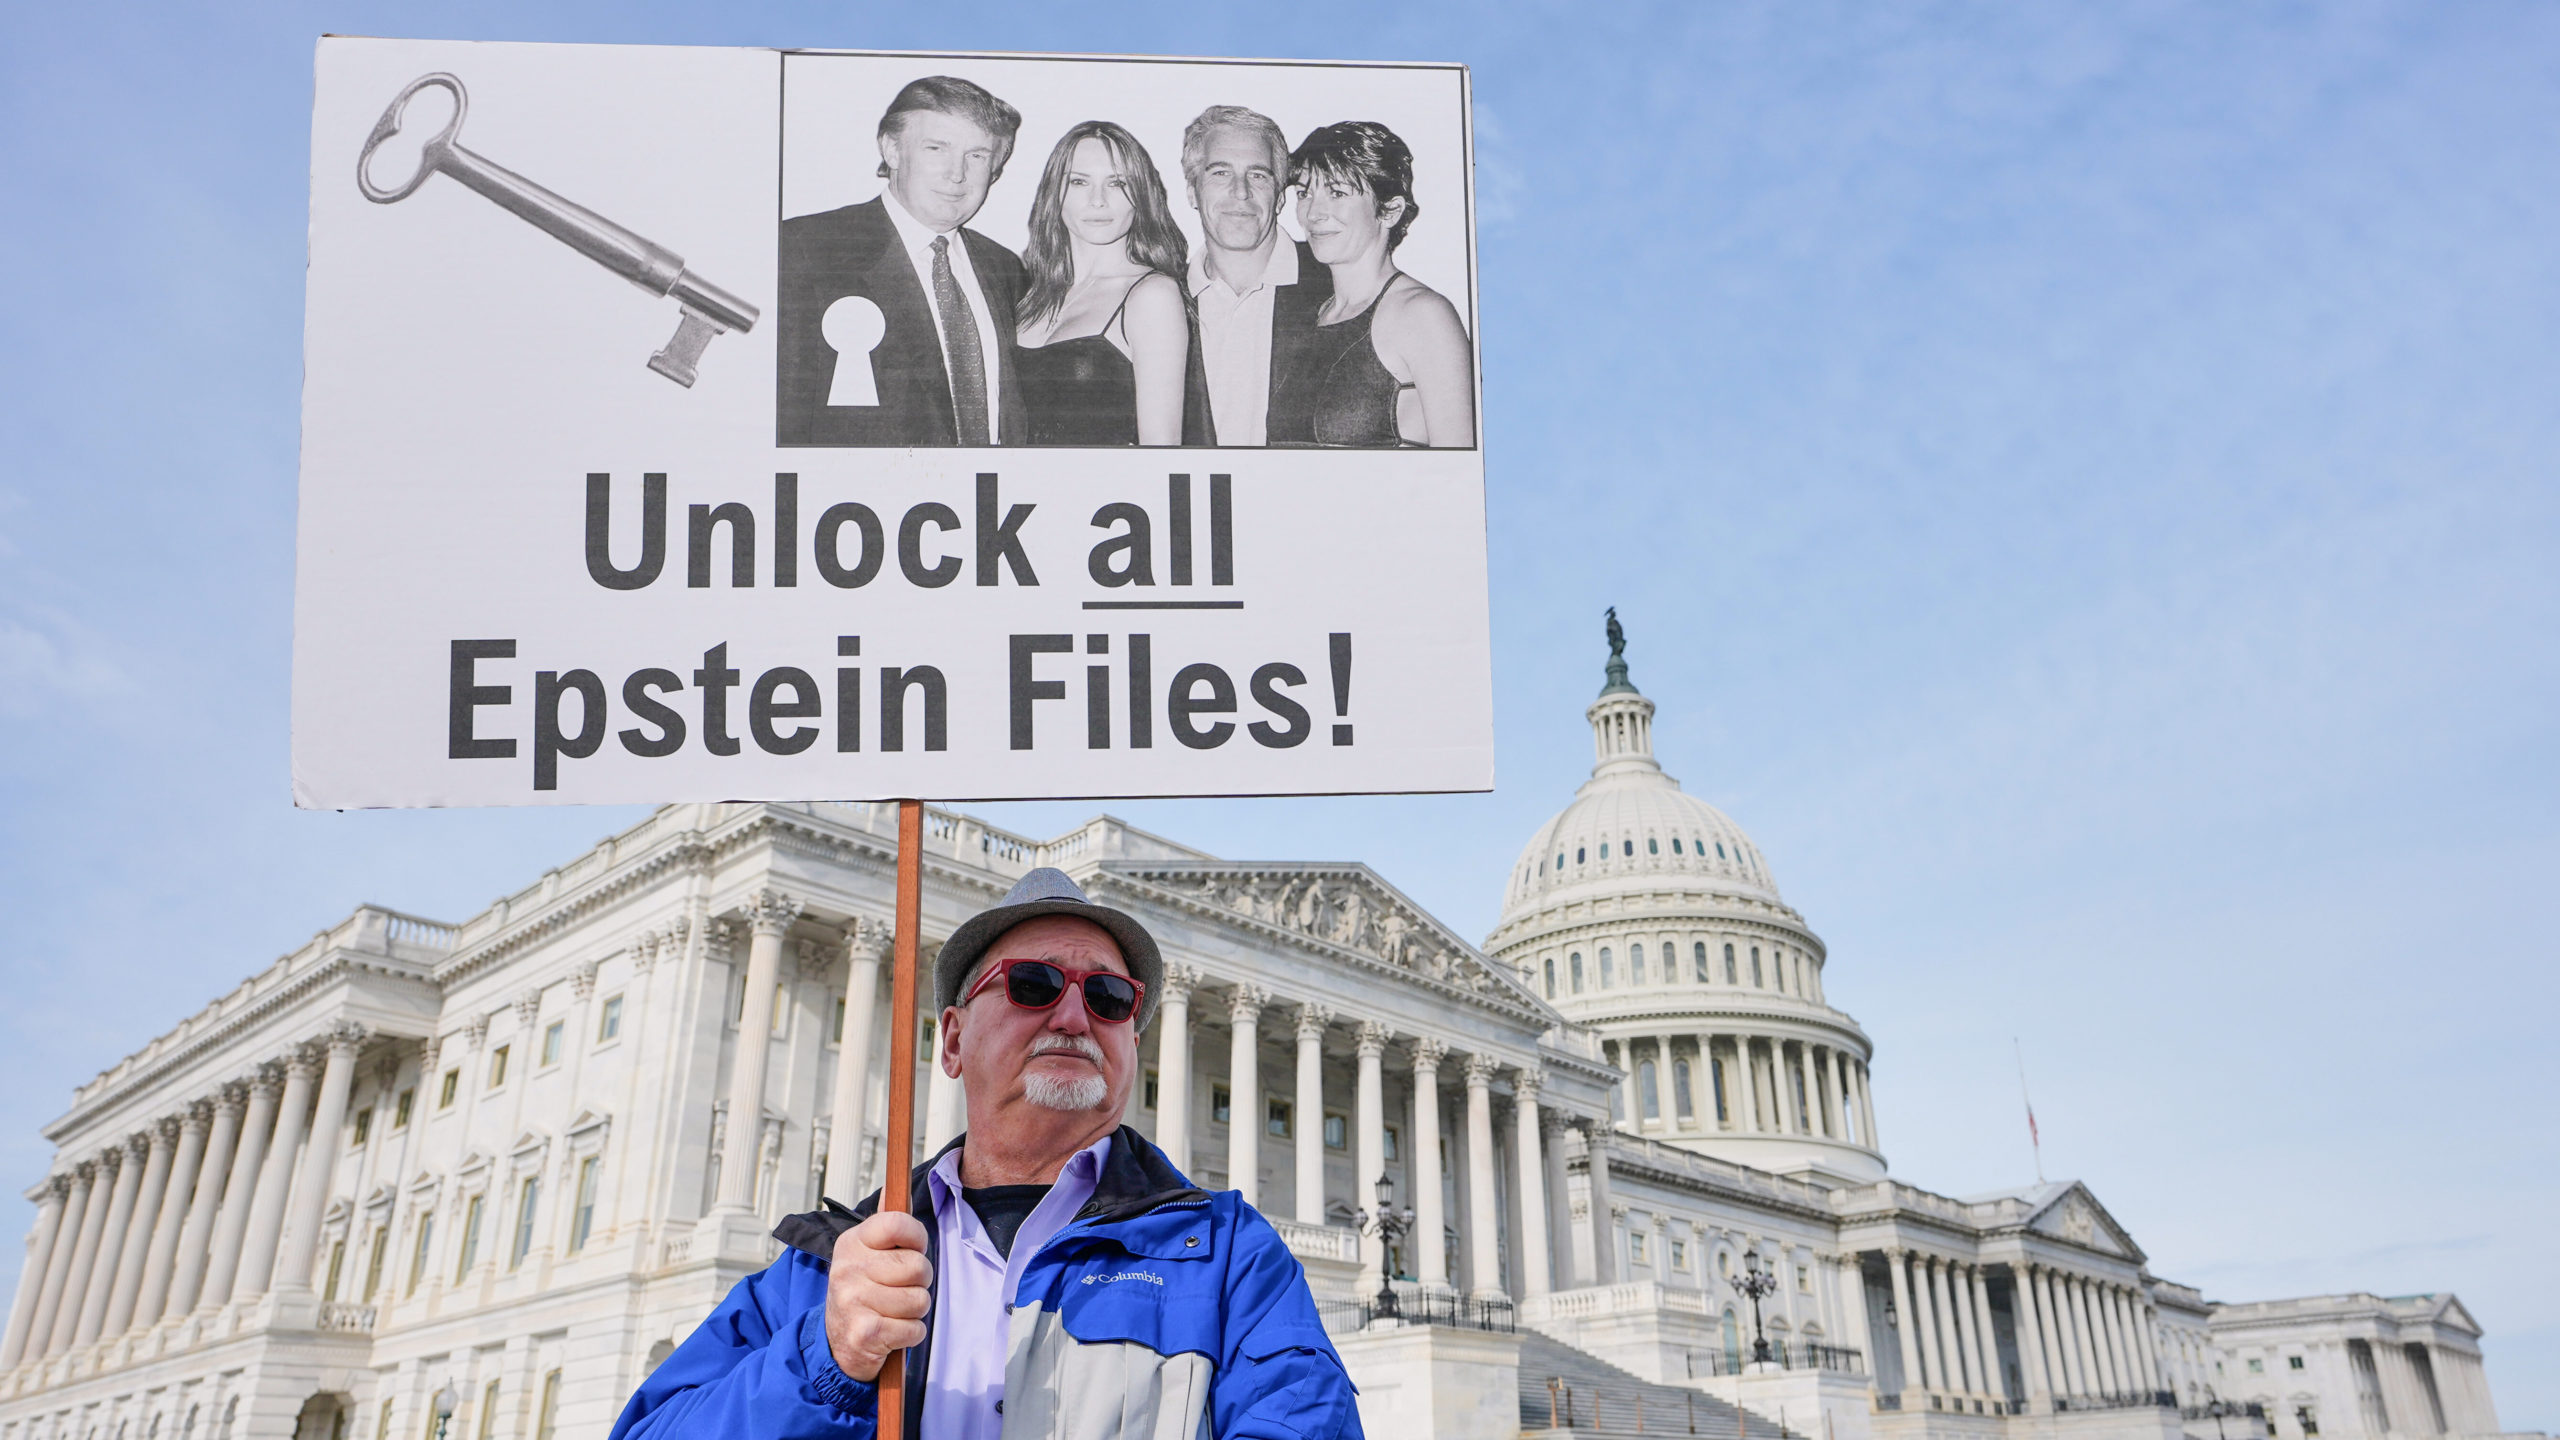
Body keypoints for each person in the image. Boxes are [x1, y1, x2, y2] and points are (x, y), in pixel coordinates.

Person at [608, 868, 1362, 1439]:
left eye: (1109, 997)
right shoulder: (833, 1267)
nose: (1074, 1016)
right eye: (1034, 985)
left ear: (1132, 1045)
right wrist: (825, 1359)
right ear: (953, 1039)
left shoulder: (1232, 1255)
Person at [776, 76, 1031, 447]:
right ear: (892, 150)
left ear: (995, 169)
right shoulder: (806, 251)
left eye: (976, 156)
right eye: (936, 148)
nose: (956, 174)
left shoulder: (1006, 269)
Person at [1266, 121, 1476, 449]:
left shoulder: (1423, 316)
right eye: (1305, 193)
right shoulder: (1306, 313)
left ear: (1389, 211)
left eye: (1337, 193)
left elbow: (1458, 469)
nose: (1312, 213)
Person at [1013, 121, 1206, 446]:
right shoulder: (1026, 294)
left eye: (1116, 183)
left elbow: (1161, 452)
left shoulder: (1152, 296)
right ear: (1054, 193)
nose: (1098, 200)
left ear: (1140, 195)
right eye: (1079, 181)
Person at [1180, 106, 1333, 447]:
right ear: (1192, 192)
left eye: (1258, 176)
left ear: (1279, 198)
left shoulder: (1337, 288)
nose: (1241, 192)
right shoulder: (1162, 303)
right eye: (1220, 173)